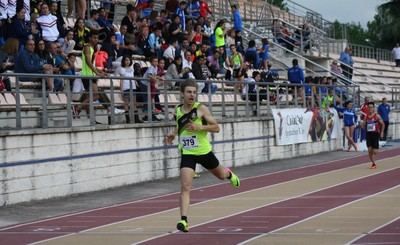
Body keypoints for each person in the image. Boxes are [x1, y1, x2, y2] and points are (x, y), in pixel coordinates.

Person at [164, 79, 240, 233]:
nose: (192, 95)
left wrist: (200, 127)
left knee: (220, 175)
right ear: (182, 94)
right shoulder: (178, 110)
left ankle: (229, 173)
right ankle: (183, 220)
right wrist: (172, 134)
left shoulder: (201, 109)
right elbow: (180, 126)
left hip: (204, 152)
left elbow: (216, 127)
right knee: (185, 186)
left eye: (194, 92)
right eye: (189, 92)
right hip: (188, 153)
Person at [362, 102, 385, 169]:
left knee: (375, 152)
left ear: (374, 108)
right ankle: (373, 163)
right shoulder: (366, 116)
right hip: (369, 134)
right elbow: (363, 125)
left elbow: (383, 124)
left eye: (371, 107)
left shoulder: (377, 116)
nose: (370, 108)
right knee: (369, 150)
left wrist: (382, 132)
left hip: (375, 134)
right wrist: (362, 124)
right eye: (369, 107)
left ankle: (375, 149)